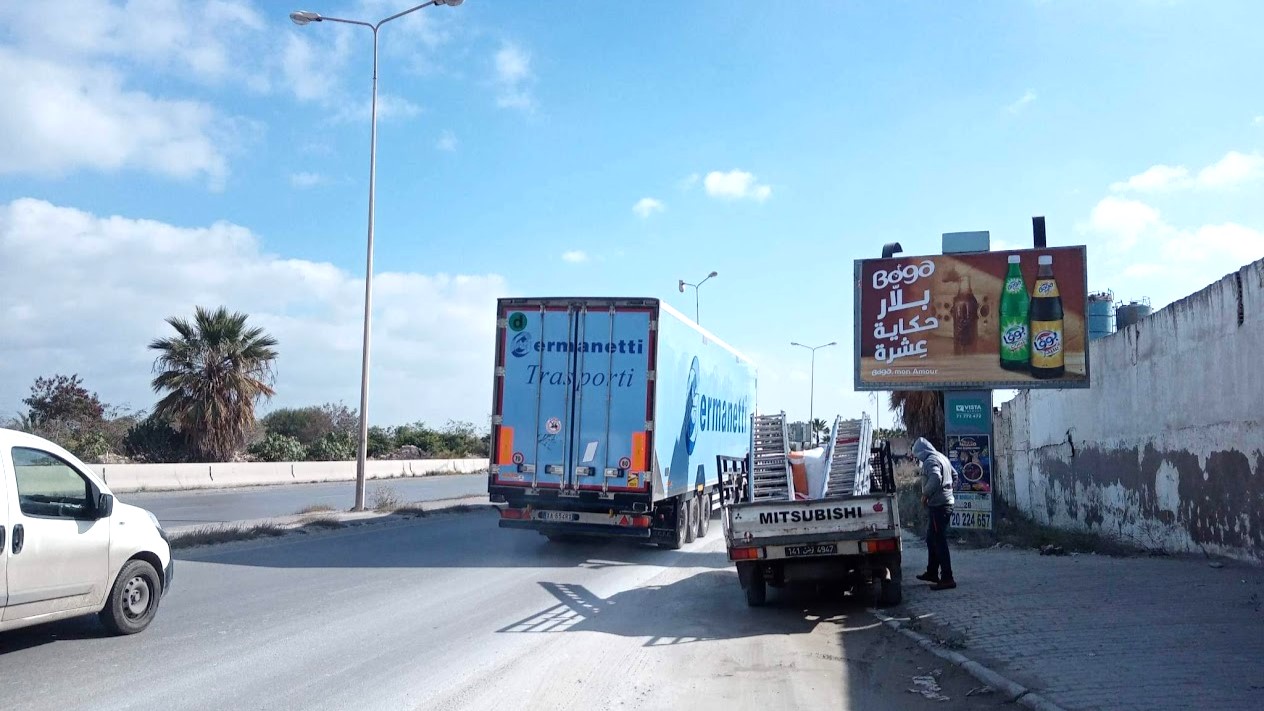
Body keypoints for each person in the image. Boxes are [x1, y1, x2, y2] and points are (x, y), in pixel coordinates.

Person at [912, 437, 956, 590]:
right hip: (946, 503)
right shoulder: (942, 457)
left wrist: (926, 494)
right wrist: (948, 491)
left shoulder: (930, 461)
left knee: (939, 541)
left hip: (939, 506)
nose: (918, 459)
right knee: (931, 539)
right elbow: (954, 475)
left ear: (921, 452)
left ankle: (947, 577)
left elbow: (936, 478)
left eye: (917, 455)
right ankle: (932, 572)